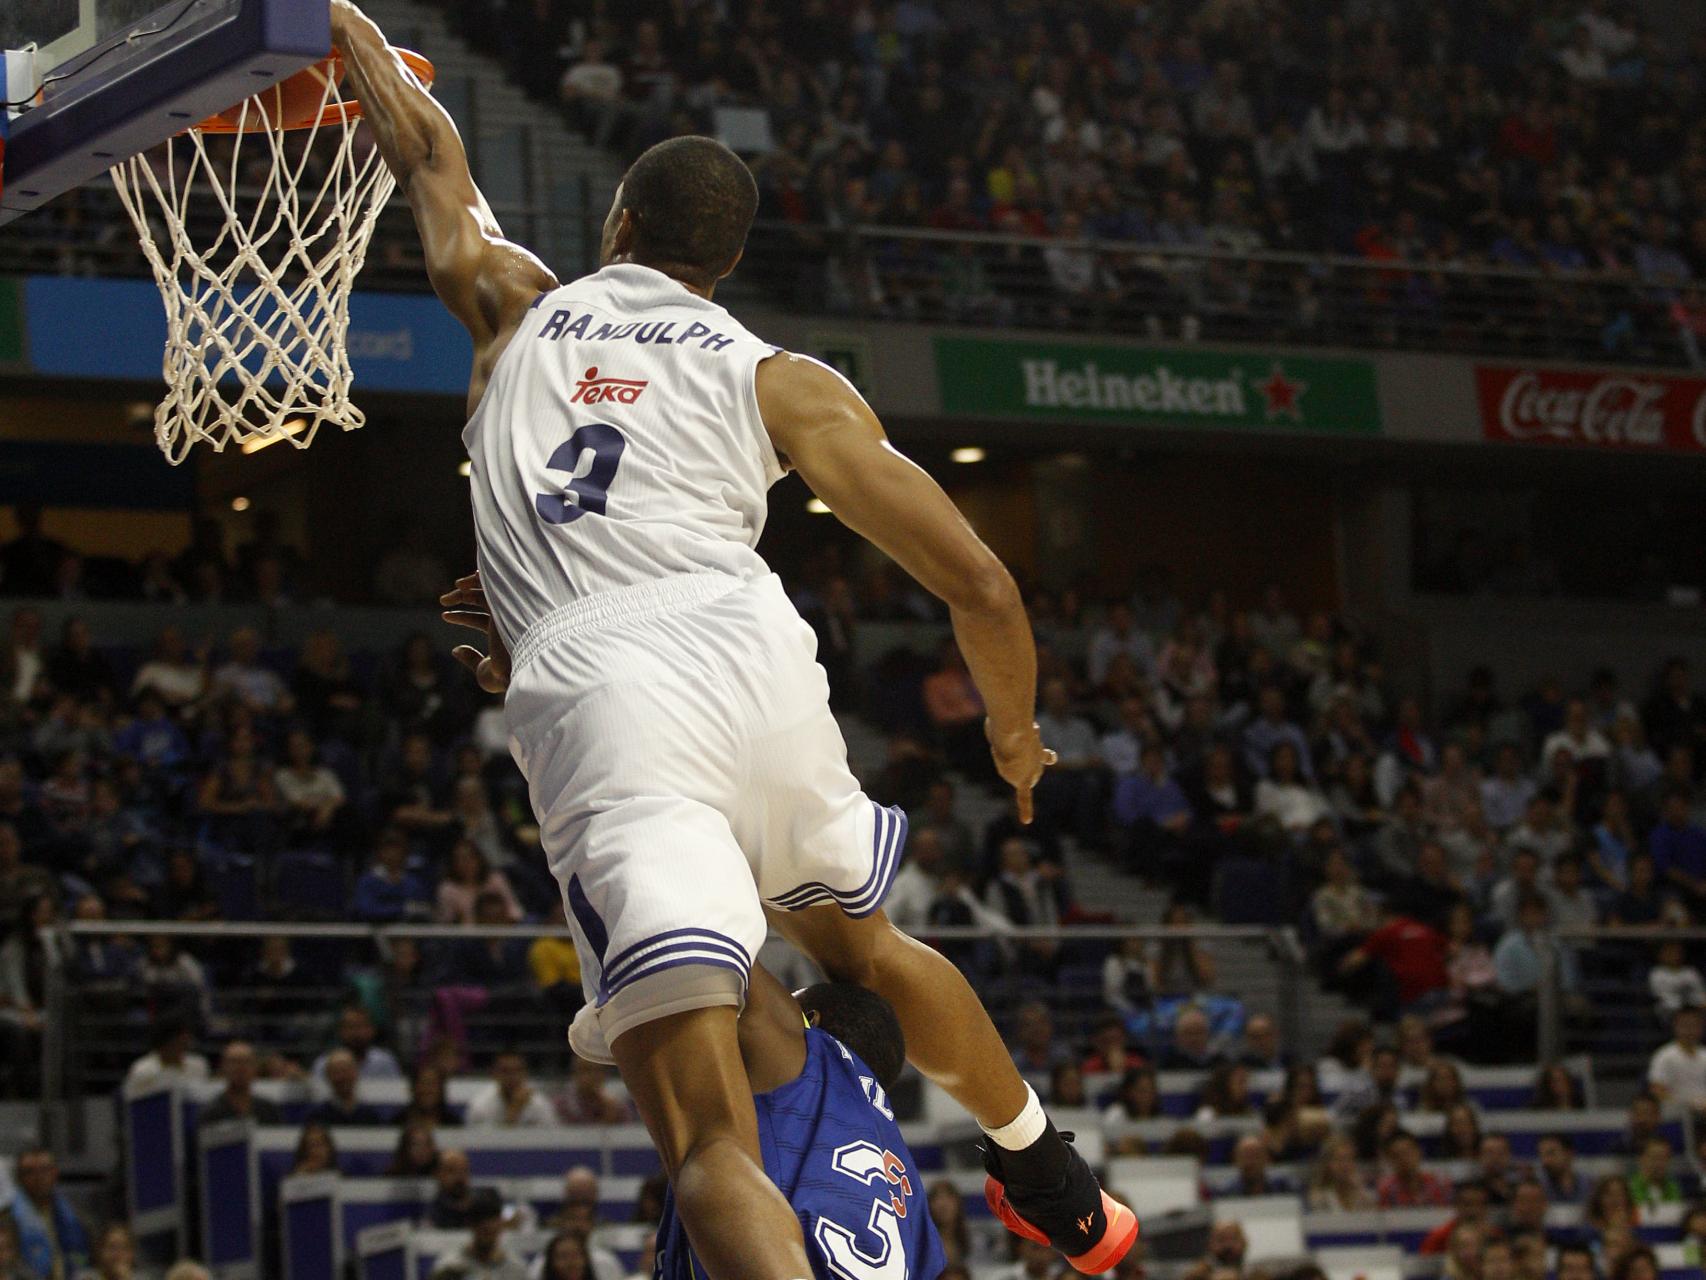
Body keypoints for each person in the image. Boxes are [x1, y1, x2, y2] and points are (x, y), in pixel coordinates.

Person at [334, 5, 1136, 1273]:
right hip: (749, 647)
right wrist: (1013, 731)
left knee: (708, 1130)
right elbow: (980, 582)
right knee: (864, 947)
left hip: (605, 686)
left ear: (617, 225)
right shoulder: (782, 376)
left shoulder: (515, 305)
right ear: (728, 257)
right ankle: (1043, 1164)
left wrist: (343, 29)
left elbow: (430, 154)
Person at [653, 967, 947, 1280]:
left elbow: (724, 954)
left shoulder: (812, 1055)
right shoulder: (909, 1191)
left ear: (810, 1019)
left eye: (791, 1002)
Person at [1, 1149, 89, 1280]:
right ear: (19, 1177)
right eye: (30, 1172)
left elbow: (88, 1258)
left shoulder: (76, 1214)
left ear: (55, 1172)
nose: (39, 1177)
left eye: (44, 1169)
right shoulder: (7, 1219)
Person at [428, 1189, 528, 1280]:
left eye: (492, 1218)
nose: (487, 1225)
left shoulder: (517, 1270)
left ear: (501, 1222)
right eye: (480, 1218)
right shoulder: (450, 1266)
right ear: (470, 1223)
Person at [197, 1041, 282, 1127]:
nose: (240, 1068)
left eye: (246, 1062)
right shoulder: (210, 1113)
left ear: (255, 1068)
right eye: (234, 1062)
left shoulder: (268, 1110)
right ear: (223, 1067)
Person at [465, 1050, 558, 1128]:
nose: (512, 1076)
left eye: (517, 1070)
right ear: (494, 1074)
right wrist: (512, 1114)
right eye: (505, 1071)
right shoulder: (480, 1104)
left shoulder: (539, 1103)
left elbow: (552, 1138)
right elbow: (479, 1141)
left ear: (525, 1073)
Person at [1647, 1006, 1706, 1113]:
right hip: (1677, 1114)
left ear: (1701, 1028)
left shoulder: (1704, 1054)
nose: (1690, 1030)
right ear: (1675, 1026)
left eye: (1694, 1025)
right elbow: (1656, 1090)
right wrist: (1685, 1106)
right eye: (1685, 1025)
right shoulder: (1664, 1055)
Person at [305, 1049, 383, 1127]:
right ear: (328, 1076)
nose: (342, 1077)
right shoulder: (318, 1116)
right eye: (336, 1072)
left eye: (346, 1071)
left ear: (356, 1073)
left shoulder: (370, 1115)